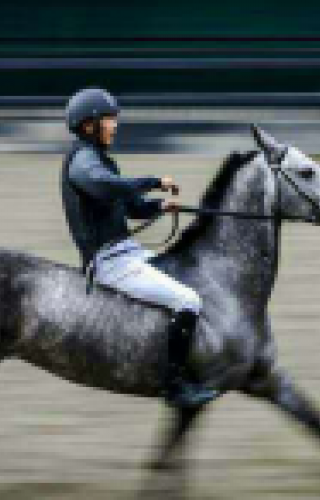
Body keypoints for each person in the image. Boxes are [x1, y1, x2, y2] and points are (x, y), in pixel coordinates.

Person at [60, 87, 218, 408]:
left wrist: (162, 205)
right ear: (89, 125)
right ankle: (174, 386)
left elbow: (132, 208)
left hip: (128, 253)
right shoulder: (82, 161)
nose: (115, 125)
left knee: (190, 274)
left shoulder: (103, 161)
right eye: (109, 119)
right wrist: (154, 180)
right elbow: (105, 188)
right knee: (187, 300)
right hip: (108, 263)